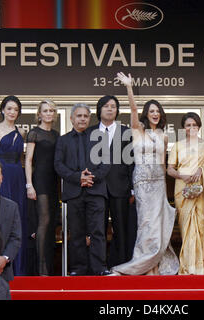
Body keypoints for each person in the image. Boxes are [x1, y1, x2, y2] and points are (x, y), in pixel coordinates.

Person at [111, 72, 179, 276]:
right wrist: (129, 87)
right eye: (151, 111)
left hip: (158, 183)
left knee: (157, 226)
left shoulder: (164, 136)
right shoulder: (137, 131)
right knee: (146, 225)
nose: (155, 114)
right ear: (145, 114)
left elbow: (164, 165)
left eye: (158, 111)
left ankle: (154, 267)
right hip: (142, 183)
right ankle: (142, 267)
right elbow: (132, 108)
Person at [54, 103, 111, 276]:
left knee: (98, 231)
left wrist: (90, 178)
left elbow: (106, 164)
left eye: (86, 116)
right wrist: (78, 177)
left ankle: (99, 268)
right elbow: (58, 165)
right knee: (76, 232)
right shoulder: (62, 140)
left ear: (89, 118)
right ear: (72, 119)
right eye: (79, 116)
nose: (82, 119)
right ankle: (78, 269)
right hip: (74, 192)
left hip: (96, 191)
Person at [167, 112, 204, 274]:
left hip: (202, 190)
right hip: (183, 190)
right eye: (188, 125)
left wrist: (202, 169)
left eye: (194, 125)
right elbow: (170, 169)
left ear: (199, 127)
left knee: (201, 227)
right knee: (186, 228)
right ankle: (187, 267)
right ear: (184, 128)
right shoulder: (178, 145)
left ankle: (201, 268)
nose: (191, 128)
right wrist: (181, 175)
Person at [88, 95, 135, 268]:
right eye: (106, 106)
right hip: (96, 187)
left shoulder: (125, 132)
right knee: (97, 229)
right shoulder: (90, 132)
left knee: (121, 229)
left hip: (120, 187)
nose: (110, 109)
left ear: (117, 111)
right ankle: (98, 267)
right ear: (99, 110)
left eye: (113, 106)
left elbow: (131, 161)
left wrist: (132, 189)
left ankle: (122, 266)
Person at [0, 95, 27, 276]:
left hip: (18, 176)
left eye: (16, 110)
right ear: (3, 109)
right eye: (9, 108)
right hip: (2, 176)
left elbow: (23, 161)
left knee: (17, 219)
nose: (12, 112)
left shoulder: (22, 133)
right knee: (1, 219)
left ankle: (18, 268)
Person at [25, 99, 60, 276]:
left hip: (54, 181)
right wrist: (29, 184)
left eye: (51, 111)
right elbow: (28, 160)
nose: (48, 114)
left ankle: (49, 267)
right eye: (45, 111)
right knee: (43, 222)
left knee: (51, 223)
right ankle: (41, 269)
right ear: (39, 114)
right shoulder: (34, 133)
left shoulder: (56, 134)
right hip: (39, 180)